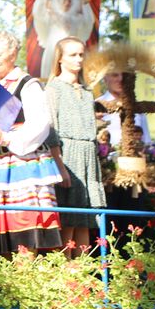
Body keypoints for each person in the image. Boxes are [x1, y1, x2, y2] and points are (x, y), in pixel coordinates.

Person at [0, 30, 63, 254]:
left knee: (23, 228)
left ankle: (23, 273)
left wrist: (7, 138)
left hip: (20, 163)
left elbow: (40, 124)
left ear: (13, 54)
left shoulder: (28, 84)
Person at [45, 37, 106, 250]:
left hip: (88, 156)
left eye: (81, 54)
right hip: (68, 155)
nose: (79, 59)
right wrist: (60, 167)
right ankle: (64, 266)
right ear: (60, 58)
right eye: (73, 55)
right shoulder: (53, 88)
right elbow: (51, 130)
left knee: (86, 219)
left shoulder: (87, 91)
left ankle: (84, 266)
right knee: (69, 219)